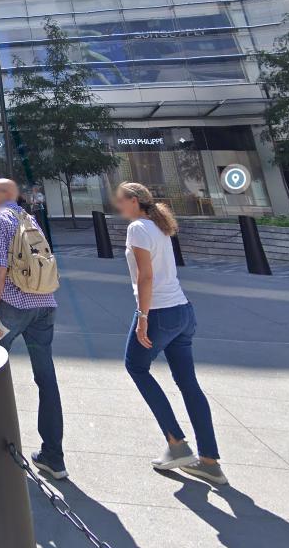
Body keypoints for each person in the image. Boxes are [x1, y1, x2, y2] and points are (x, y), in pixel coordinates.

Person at [113, 181, 224, 486]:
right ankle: (210, 461)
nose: (118, 205)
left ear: (134, 200)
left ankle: (176, 443)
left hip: (160, 312)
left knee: (136, 366)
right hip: (182, 311)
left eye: (121, 200)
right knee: (188, 383)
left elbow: (146, 276)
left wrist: (142, 316)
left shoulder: (137, 228)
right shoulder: (158, 225)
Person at [0, 177, 65, 479]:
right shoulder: (29, 217)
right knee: (46, 378)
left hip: (14, 305)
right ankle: (54, 456)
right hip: (45, 303)